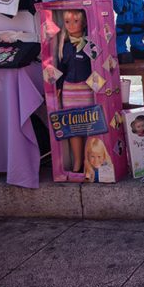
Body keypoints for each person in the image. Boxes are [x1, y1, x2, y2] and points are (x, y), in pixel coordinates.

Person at [56, 9, 93, 173]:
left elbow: (98, 65)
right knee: (73, 127)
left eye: (75, 21)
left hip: (87, 88)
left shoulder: (90, 43)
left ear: (84, 22)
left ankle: (88, 160)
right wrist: (57, 87)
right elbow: (60, 68)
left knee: (90, 124)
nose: (71, 25)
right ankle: (78, 162)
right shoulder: (64, 45)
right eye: (67, 22)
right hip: (69, 90)